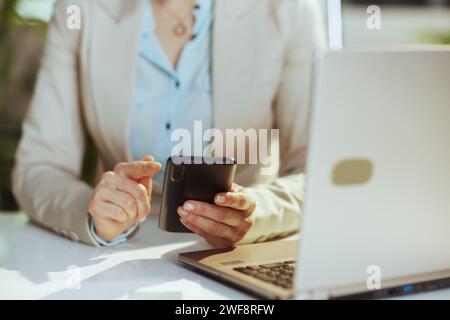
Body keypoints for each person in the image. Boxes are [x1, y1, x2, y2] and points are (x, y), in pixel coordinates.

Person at [12, 0, 326, 247]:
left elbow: (317, 171)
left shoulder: (289, 8)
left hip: (235, 257)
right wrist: (95, 211)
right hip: (118, 258)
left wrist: (257, 212)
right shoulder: (80, 10)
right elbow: (38, 166)